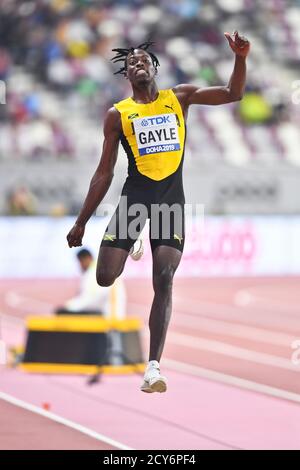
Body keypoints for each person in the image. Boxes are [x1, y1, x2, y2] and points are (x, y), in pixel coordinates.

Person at [67, 32, 250, 393]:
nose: (138, 63)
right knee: (105, 277)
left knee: (164, 278)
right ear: (126, 75)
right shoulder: (118, 115)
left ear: (154, 67)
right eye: (131, 62)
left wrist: (240, 58)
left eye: (143, 60)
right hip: (135, 199)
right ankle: (132, 240)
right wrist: (81, 221)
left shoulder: (179, 98)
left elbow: (234, 93)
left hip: (170, 201)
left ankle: (153, 366)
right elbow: (104, 171)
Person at [56, 248, 126, 318]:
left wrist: (69, 306)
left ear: (87, 258)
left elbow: (89, 299)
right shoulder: (100, 269)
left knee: (62, 312)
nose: (80, 266)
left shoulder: (94, 273)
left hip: (110, 317)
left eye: (80, 262)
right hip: (111, 313)